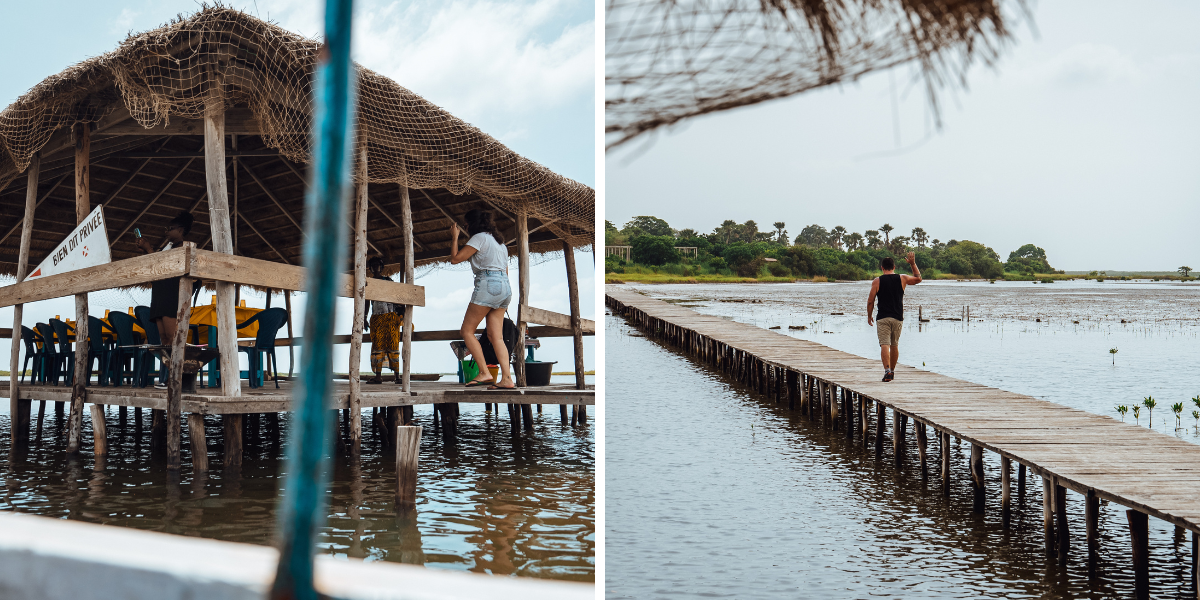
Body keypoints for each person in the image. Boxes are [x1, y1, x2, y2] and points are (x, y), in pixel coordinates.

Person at [448, 209, 515, 389]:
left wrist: (455, 237)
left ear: (472, 224)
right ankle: (507, 378)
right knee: (496, 337)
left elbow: (455, 259)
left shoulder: (479, 238)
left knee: (466, 331)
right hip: (505, 287)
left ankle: (484, 372)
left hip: (488, 284)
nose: (465, 228)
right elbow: (505, 271)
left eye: (465, 225)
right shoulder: (501, 244)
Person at [135, 211, 194, 350]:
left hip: (170, 298)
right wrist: (146, 251)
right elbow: (157, 266)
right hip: (160, 297)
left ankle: (176, 364)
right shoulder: (168, 247)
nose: (166, 232)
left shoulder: (183, 247)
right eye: (166, 229)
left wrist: (148, 248)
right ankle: (167, 364)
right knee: (164, 340)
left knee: (172, 338)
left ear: (180, 230)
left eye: (170, 229)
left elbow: (164, 266)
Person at [866, 251, 922, 382]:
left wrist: (869, 316)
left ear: (882, 268)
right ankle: (892, 371)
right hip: (898, 317)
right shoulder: (902, 278)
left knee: (884, 344)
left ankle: (887, 371)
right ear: (894, 267)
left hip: (883, 317)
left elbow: (870, 301)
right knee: (894, 344)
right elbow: (918, 278)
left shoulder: (877, 281)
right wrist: (913, 264)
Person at [364, 256, 404, 384]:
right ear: (370, 268)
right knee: (378, 347)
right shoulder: (368, 283)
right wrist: (364, 317)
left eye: (378, 265)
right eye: (373, 265)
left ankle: (397, 376)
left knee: (393, 345)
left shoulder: (388, 281)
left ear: (381, 267)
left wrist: (401, 315)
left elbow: (397, 297)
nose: (375, 267)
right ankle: (378, 376)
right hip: (377, 318)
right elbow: (366, 301)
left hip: (391, 317)